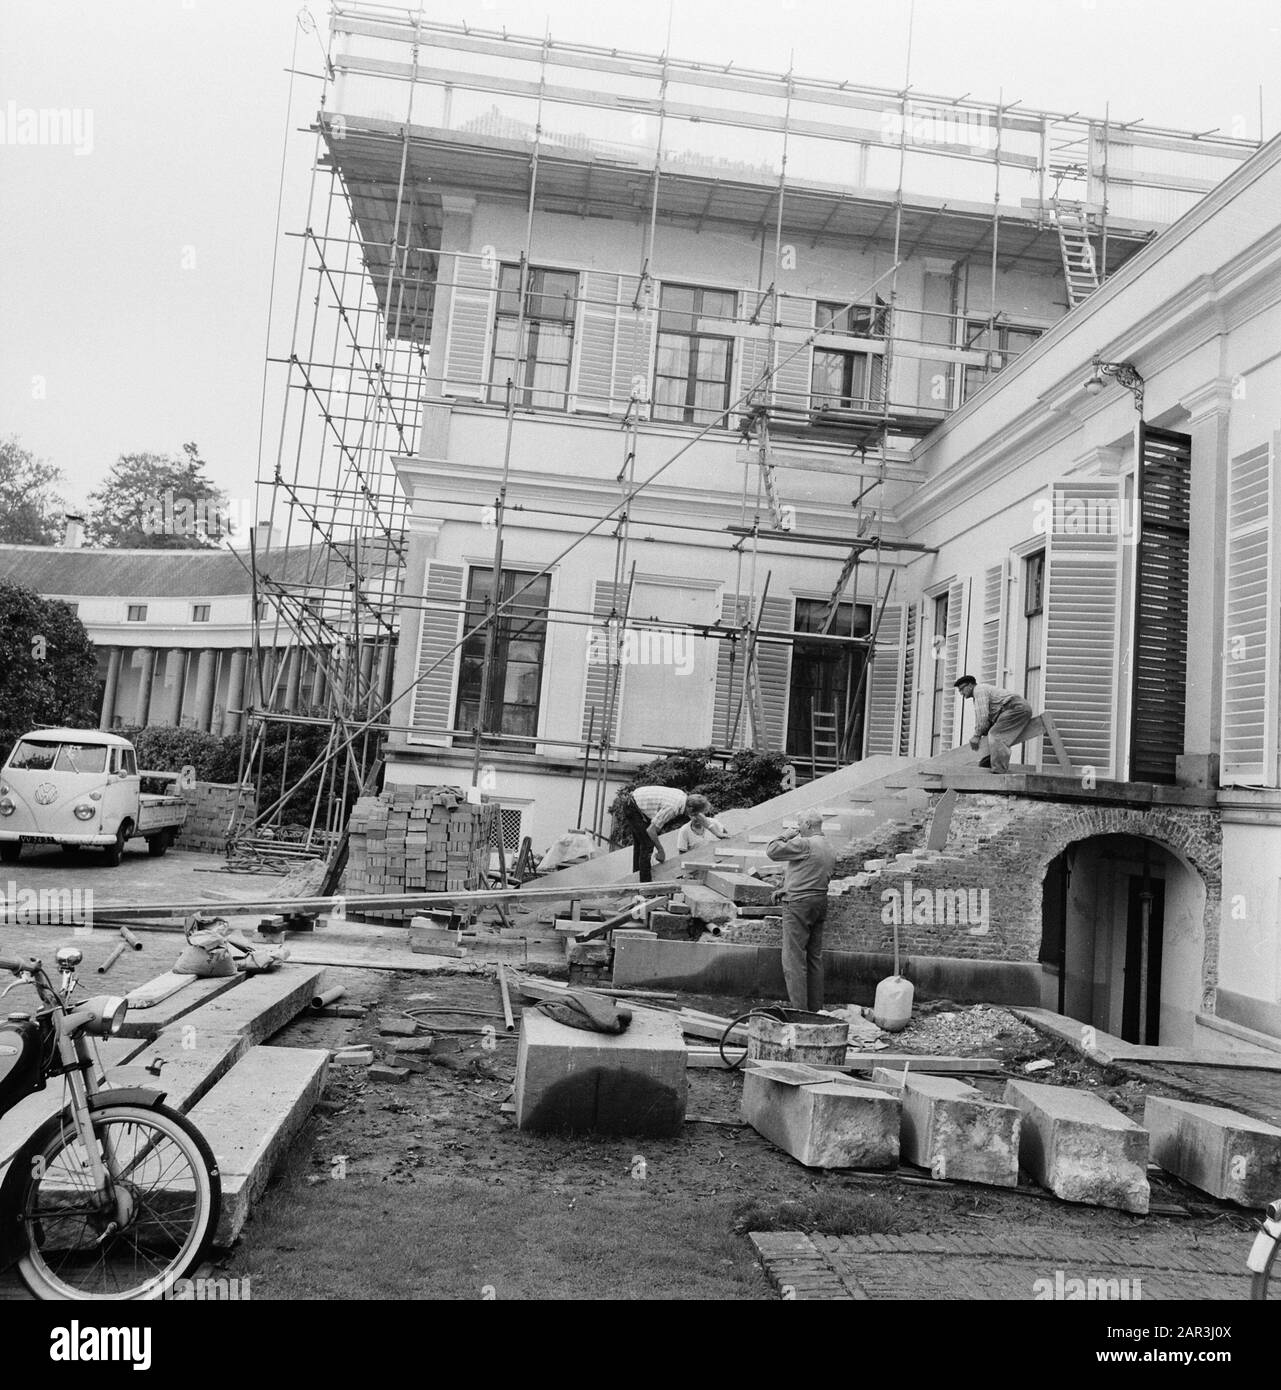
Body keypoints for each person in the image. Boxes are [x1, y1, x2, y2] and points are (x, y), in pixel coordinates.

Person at [765, 809, 837, 1013]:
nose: (797, 829)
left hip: (798, 905)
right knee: (814, 958)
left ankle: (800, 1013)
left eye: (799, 825)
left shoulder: (805, 843)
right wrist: (786, 888)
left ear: (807, 824)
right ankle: (815, 1011)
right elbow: (813, 874)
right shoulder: (829, 846)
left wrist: (786, 834)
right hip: (819, 902)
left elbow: (772, 850)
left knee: (793, 960)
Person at [618, 786, 713, 883]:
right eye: (695, 814)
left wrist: (718, 833)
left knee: (641, 844)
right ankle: (645, 887)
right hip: (633, 806)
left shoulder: (684, 799)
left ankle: (637, 880)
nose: (695, 817)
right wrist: (661, 851)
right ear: (690, 809)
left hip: (637, 802)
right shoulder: (671, 808)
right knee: (647, 844)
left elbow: (700, 817)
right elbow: (651, 830)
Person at [954, 674, 1033, 773]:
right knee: (991, 735)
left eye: (962, 689)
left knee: (996, 735)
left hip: (1015, 708)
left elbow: (982, 717)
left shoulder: (979, 690)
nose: (961, 693)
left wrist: (977, 735)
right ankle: (987, 764)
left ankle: (999, 770)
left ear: (970, 685)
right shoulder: (981, 692)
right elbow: (986, 721)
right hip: (1014, 709)